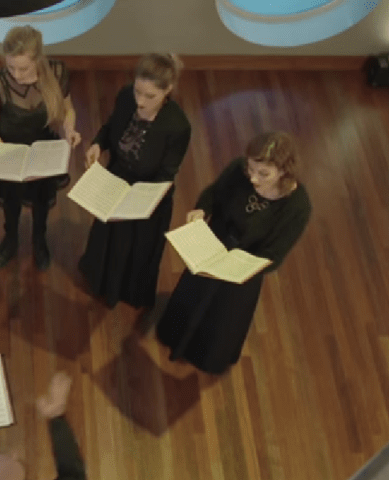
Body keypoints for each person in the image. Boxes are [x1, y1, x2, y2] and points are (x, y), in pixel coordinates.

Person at [157, 132, 312, 374]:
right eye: (251, 169)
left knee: (222, 316)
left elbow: (274, 255)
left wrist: (240, 265)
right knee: (192, 295)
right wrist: (202, 209)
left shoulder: (297, 206)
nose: (253, 178)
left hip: (244, 267)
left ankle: (204, 356)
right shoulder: (239, 170)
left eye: (263, 174)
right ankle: (174, 337)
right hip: (213, 244)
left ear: (284, 171)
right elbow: (213, 194)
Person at [78, 54, 192, 309]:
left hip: (147, 196)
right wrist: (98, 144)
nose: (140, 101)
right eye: (138, 92)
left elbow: (166, 174)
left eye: (149, 96)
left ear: (167, 90)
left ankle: (125, 293)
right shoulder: (126, 96)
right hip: (117, 178)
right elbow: (110, 127)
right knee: (107, 240)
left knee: (132, 250)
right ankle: (101, 284)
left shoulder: (177, 126)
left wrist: (136, 200)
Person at [0, 25, 81, 271]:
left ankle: (39, 240)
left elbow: (68, 110)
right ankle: (10, 239)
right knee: (10, 203)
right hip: (10, 151)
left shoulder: (57, 73)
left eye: (23, 68)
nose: (16, 74)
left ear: (38, 59)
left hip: (43, 150)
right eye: (10, 67)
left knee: (42, 202)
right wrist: (8, 156)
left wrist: (70, 130)